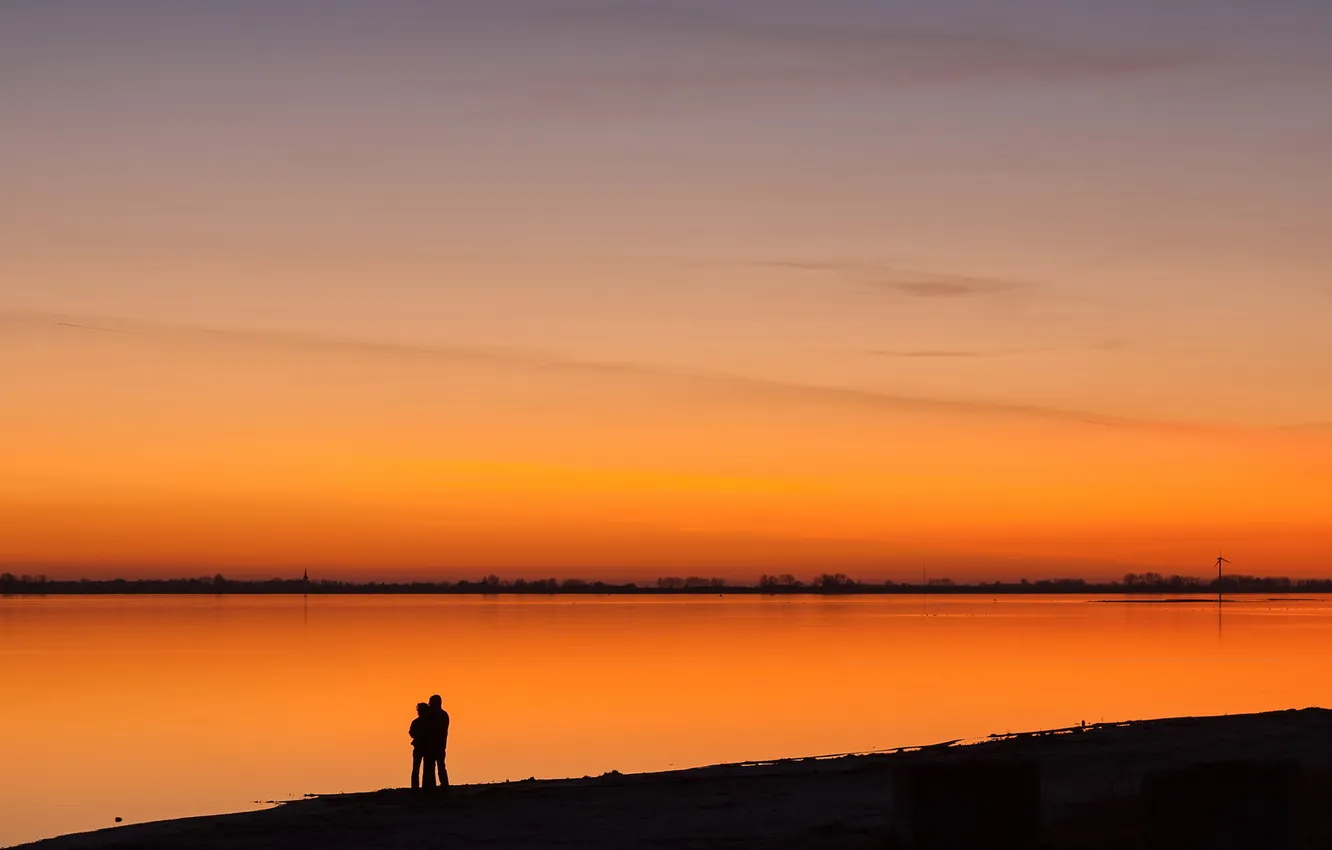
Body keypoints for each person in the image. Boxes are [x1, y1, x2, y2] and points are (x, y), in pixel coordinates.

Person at [426, 693, 450, 793]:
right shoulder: (444, 715)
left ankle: (438, 787)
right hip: (440, 745)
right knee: (439, 767)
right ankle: (443, 786)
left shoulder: (436, 716)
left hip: (436, 745)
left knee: (435, 767)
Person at [408, 702, 431, 790]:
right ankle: (424, 787)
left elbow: (411, 733)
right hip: (424, 747)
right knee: (424, 768)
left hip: (420, 747)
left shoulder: (416, 722)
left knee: (417, 768)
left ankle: (415, 787)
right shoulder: (428, 722)